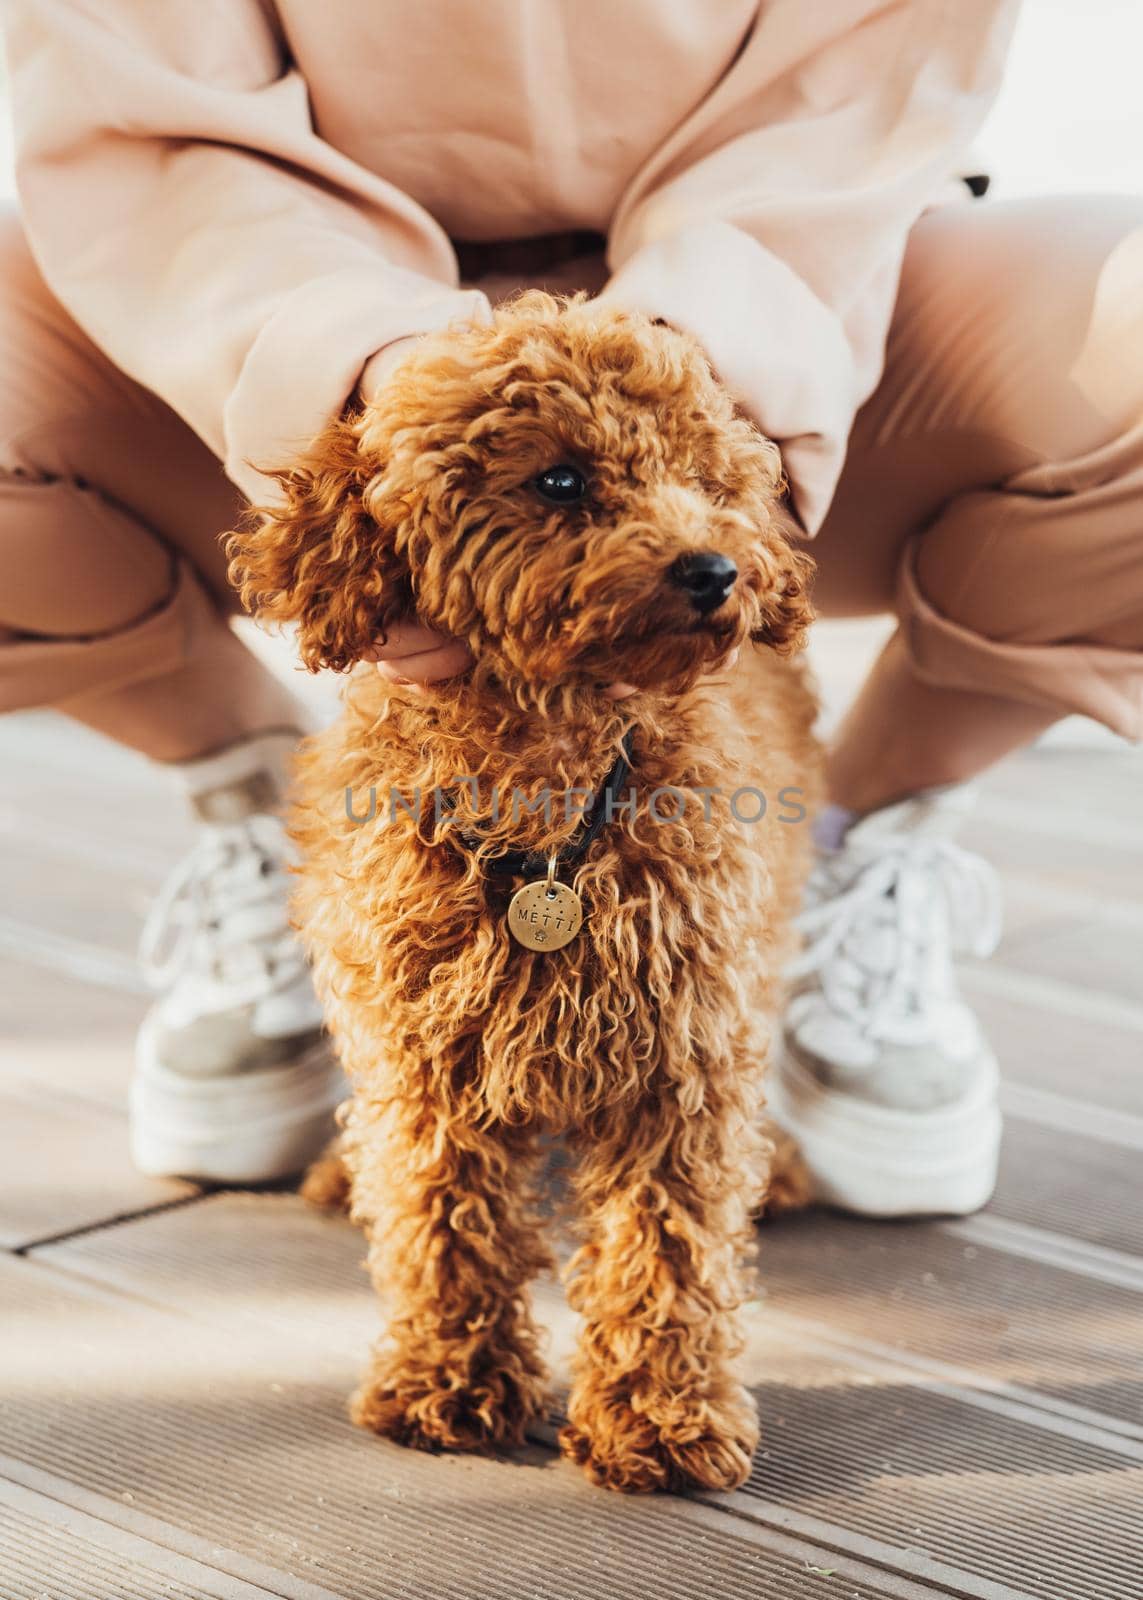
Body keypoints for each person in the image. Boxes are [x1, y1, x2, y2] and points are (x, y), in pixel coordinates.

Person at [1, 3, 1139, 1209]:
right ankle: (280, 829)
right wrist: (374, 369)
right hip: (268, 319)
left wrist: (668, 374)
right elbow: (137, 101)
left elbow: (865, 90)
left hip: (787, 305)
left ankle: (839, 862)